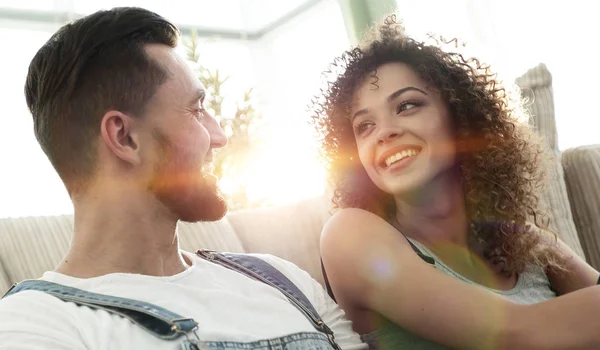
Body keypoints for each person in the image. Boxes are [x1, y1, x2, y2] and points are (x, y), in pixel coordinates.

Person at [0, 7, 366, 350]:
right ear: (124, 137)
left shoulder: (282, 280)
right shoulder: (35, 325)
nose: (220, 136)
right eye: (197, 110)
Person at [312, 14, 600, 350]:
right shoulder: (349, 236)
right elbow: (516, 334)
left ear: (460, 118)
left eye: (406, 105)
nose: (385, 132)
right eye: (364, 126)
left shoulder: (523, 240)